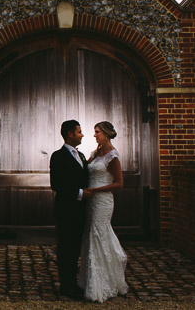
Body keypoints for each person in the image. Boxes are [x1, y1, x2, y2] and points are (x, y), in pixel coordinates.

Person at [78, 121, 128, 303]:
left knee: (99, 235)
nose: (94, 135)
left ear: (106, 134)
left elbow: (119, 183)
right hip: (90, 200)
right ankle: (90, 280)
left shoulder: (113, 156)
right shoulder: (95, 153)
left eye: (97, 132)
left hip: (103, 200)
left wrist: (96, 190)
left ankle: (102, 284)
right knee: (90, 235)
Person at [49, 120, 92, 299]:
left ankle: (73, 283)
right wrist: (80, 193)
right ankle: (66, 286)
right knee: (66, 247)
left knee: (75, 248)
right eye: (79, 132)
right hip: (66, 209)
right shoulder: (58, 156)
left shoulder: (81, 156)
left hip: (80, 210)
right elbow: (56, 184)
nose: (82, 135)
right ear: (70, 134)